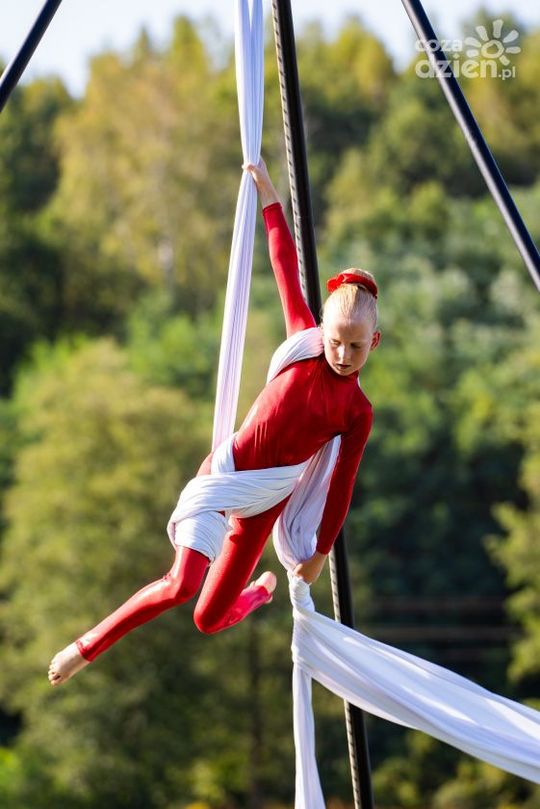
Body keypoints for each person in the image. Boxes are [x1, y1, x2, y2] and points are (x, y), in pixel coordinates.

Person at [48, 160, 380, 686]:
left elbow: (341, 485)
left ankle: (259, 592)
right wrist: (269, 195)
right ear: (323, 330)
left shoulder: (356, 412)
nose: (341, 354)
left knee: (207, 618)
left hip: (266, 500)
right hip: (227, 473)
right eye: (336, 341)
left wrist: (319, 554)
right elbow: (283, 264)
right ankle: (85, 647)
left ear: (373, 342)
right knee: (181, 585)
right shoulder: (304, 346)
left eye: (355, 347)